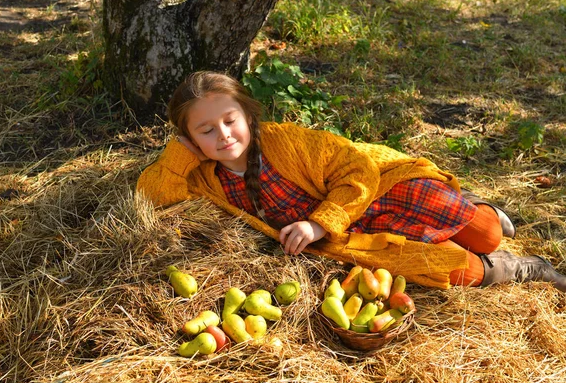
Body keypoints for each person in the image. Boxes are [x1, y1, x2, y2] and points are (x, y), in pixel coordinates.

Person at [136, 71, 566, 292]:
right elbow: (151, 195)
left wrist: (318, 223)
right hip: (356, 234)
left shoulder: (287, 142)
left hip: (375, 188)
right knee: (462, 269)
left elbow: (357, 169)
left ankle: (476, 206)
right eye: (205, 131)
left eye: (229, 121)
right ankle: (524, 269)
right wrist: (179, 154)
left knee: (486, 233)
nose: (223, 136)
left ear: (247, 116)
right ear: (189, 138)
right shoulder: (205, 176)